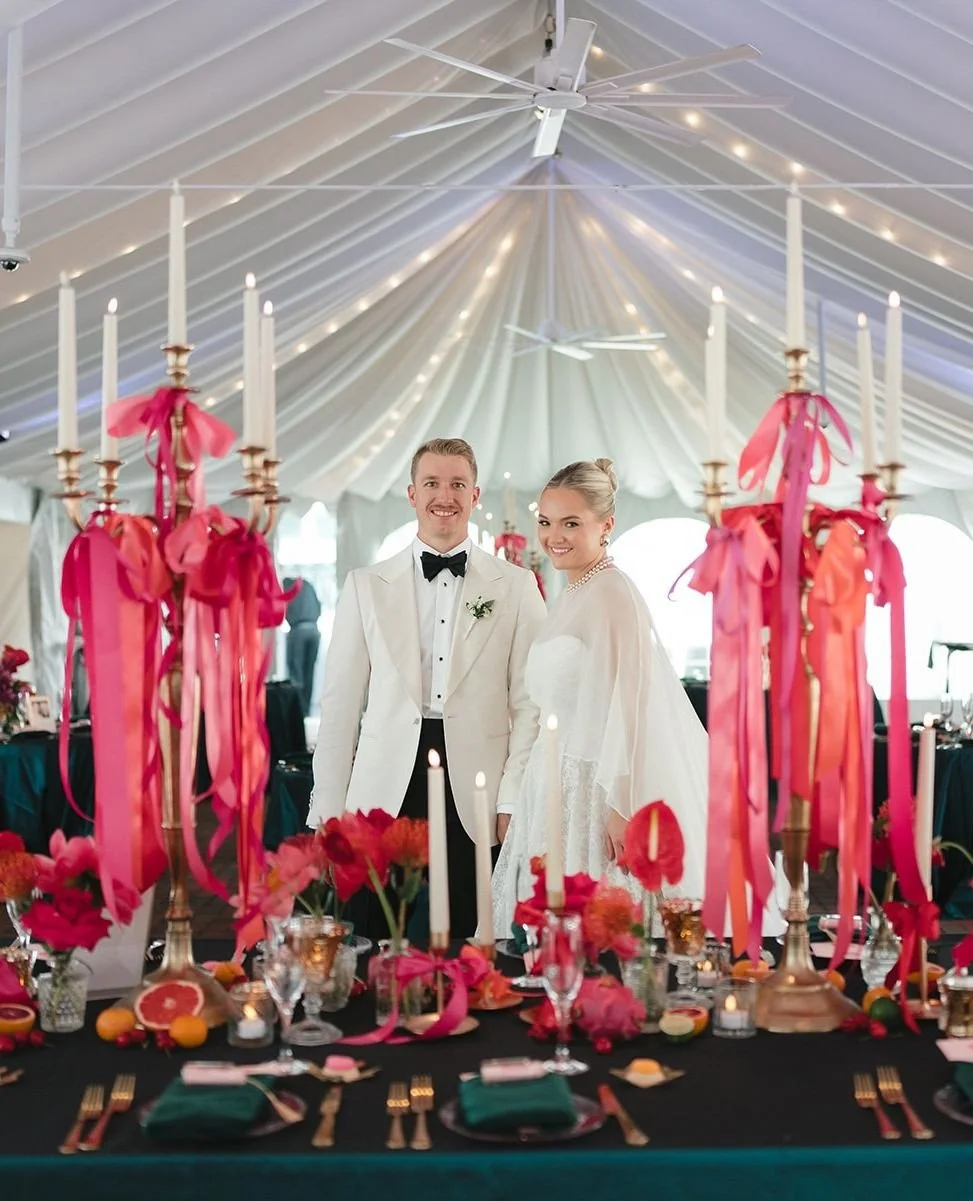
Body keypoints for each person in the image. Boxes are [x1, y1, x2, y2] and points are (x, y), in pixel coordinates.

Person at [308, 438, 547, 938]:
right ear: (412, 494)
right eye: (433, 483)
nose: (446, 495)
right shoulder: (365, 585)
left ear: (475, 494)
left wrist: (511, 801)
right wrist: (327, 812)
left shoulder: (517, 585)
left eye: (458, 484)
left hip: (475, 790)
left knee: (469, 938)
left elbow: (530, 705)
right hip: (380, 788)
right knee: (367, 935)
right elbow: (340, 707)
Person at [491, 458, 710, 932]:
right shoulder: (571, 591)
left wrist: (619, 809)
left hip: (596, 787)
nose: (555, 537)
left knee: (597, 926)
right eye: (546, 523)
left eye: (571, 523)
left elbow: (628, 703)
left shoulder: (612, 591)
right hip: (550, 783)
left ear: (606, 525)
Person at [283, 578, 322, 717]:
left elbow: (283, 607)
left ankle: (297, 711)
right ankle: (306, 709)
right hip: (314, 631)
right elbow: (319, 607)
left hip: (298, 631)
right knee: (309, 672)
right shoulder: (308, 584)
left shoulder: (287, 586)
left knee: (296, 673)